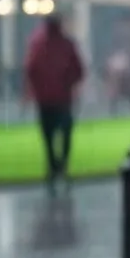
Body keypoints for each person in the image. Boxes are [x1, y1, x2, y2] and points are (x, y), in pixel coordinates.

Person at [23, 13, 84, 190]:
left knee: (49, 135)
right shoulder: (64, 44)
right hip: (60, 98)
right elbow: (78, 70)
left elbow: (31, 69)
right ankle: (59, 165)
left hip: (47, 99)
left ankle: (54, 166)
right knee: (63, 133)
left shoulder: (38, 43)